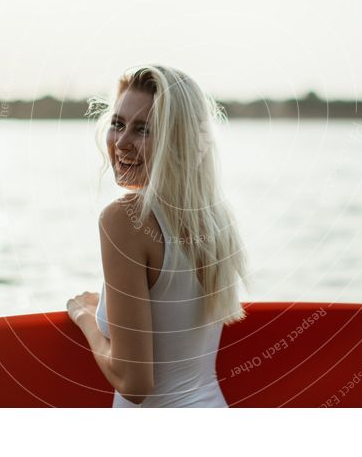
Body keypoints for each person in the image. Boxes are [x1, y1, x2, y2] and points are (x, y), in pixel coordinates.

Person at [66, 65, 250, 407]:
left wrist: (86, 318)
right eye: (118, 124)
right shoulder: (215, 218)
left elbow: (134, 383)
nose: (121, 142)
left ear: (175, 140)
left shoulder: (124, 219)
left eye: (143, 130)